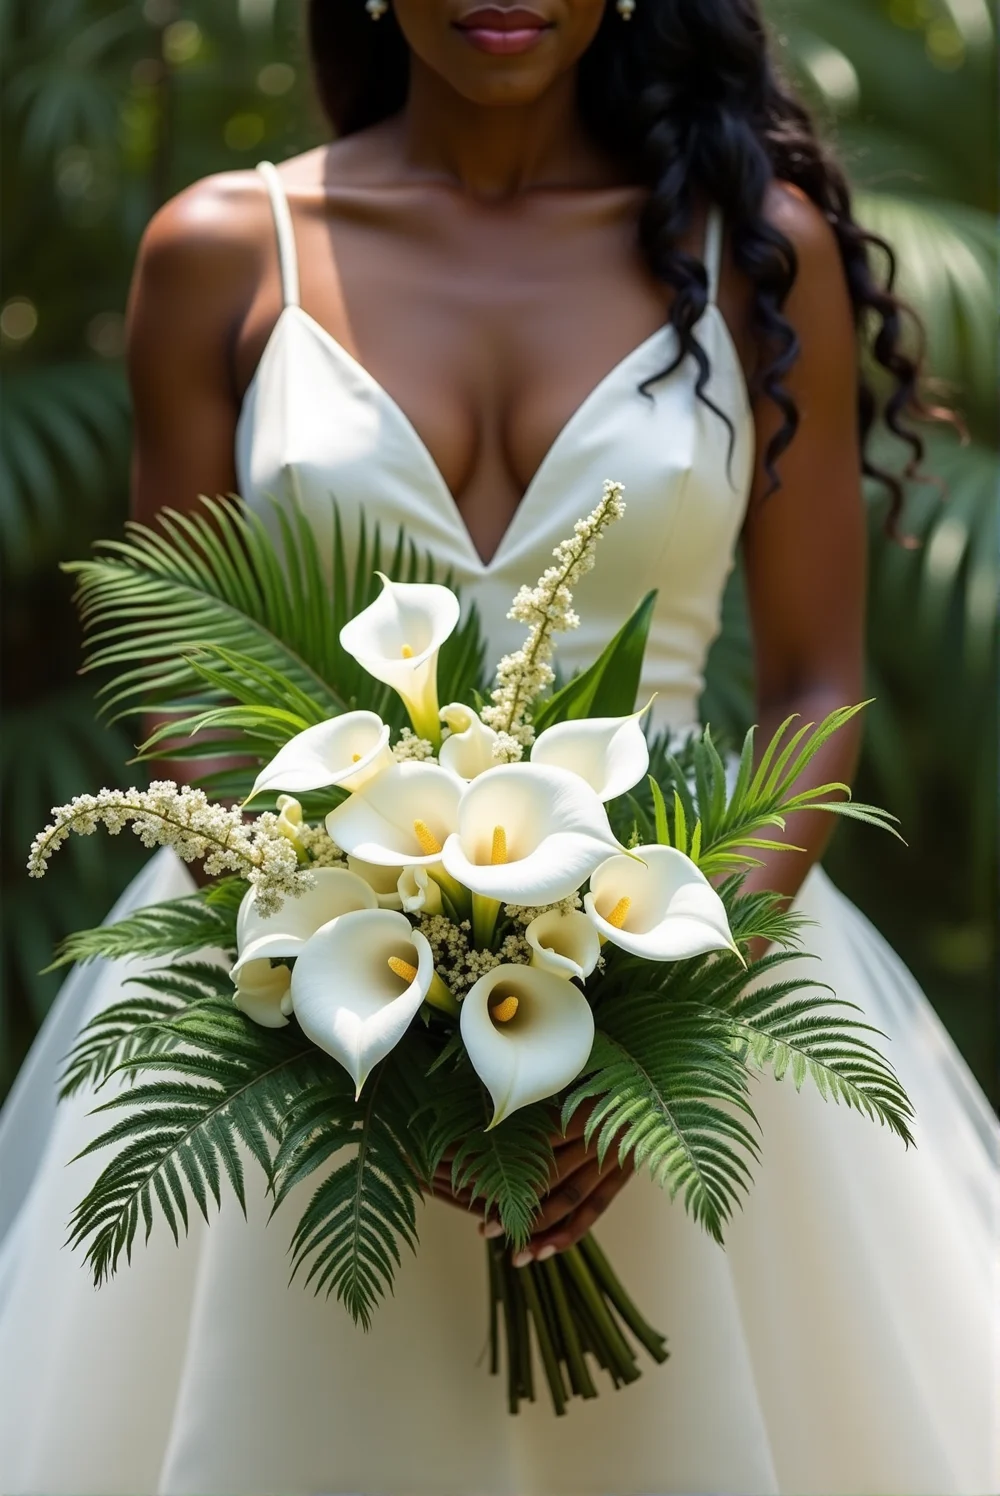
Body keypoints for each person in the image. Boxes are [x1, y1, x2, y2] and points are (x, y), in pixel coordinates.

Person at [0, 3, 996, 1493]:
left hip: (684, 952)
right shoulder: (221, 247)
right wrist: (345, 974)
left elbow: (811, 679)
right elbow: (182, 673)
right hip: (297, 992)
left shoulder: (755, 254)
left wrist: (664, 1022)